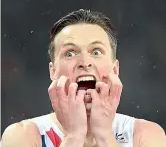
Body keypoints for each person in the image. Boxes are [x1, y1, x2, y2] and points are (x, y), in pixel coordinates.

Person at [1, 9, 166, 147]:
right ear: (53, 71)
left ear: (115, 69)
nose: (84, 63)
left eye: (96, 52)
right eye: (70, 53)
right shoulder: (23, 136)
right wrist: (74, 136)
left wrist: (104, 136)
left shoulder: (144, 135)